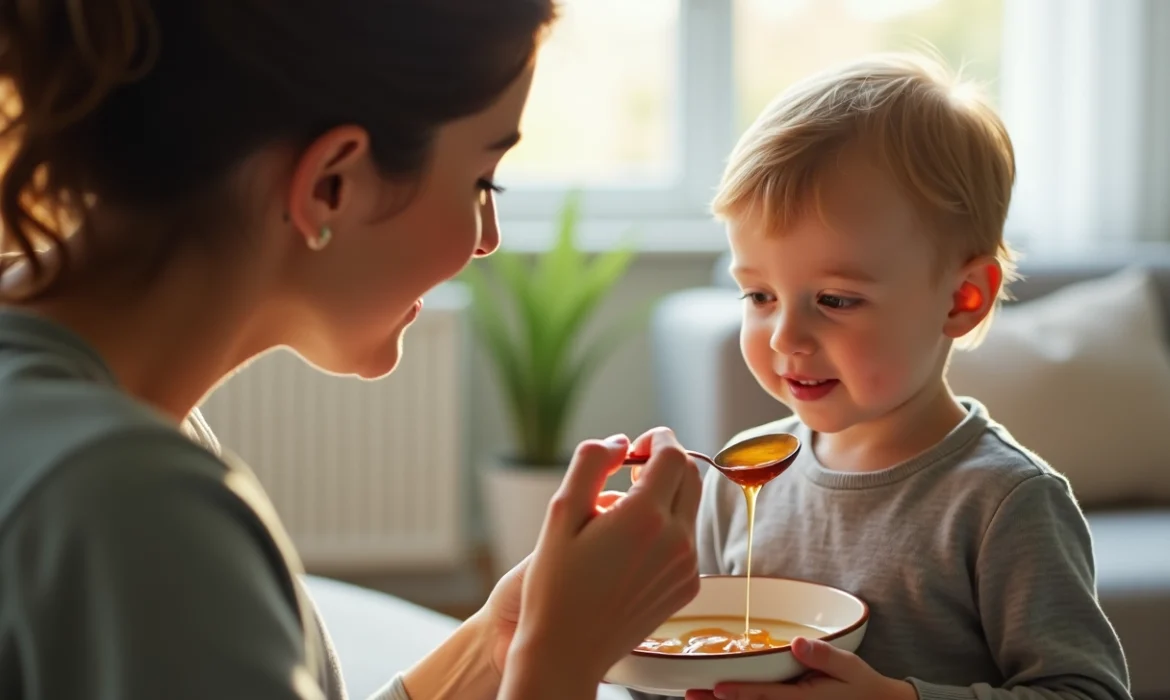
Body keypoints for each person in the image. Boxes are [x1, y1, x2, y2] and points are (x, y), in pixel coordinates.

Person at [0, 2, 704, 699]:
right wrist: (559, 660)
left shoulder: (103, 415)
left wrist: (502, 641)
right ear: (331, 183)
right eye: (481, 182)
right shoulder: (129, 501)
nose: (486, 237)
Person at [637, 53, 1132, 700]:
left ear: (962, 299)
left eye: (836, 300)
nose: (785, 336)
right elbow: (683, 665)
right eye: (758, 297)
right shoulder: (736, 479)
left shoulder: (1004, 504)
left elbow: (1088, 691)